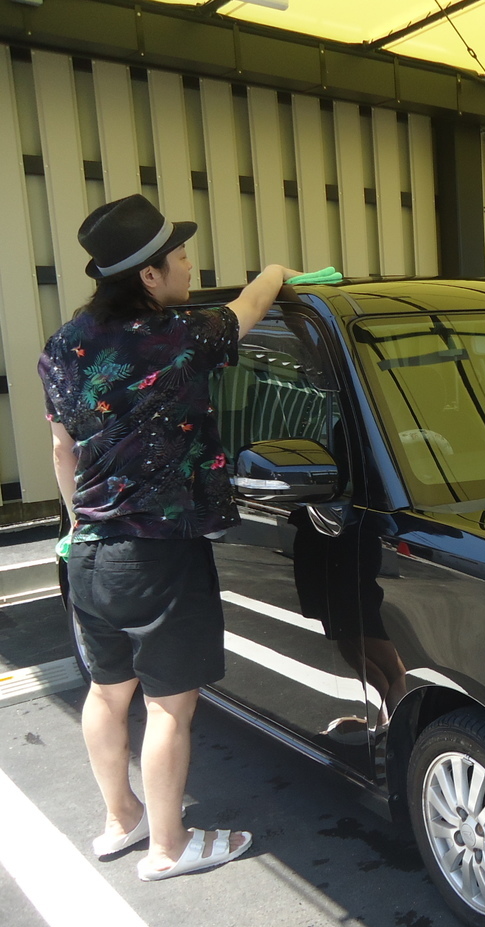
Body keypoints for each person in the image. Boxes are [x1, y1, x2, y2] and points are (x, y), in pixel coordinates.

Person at [36, 194, 300, 881]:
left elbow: (62, 447)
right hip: (159, 551)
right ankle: (169, 846)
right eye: (178, 255)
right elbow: (249, 308)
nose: (188, 263)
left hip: (91, 550)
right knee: (167, 709)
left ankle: (121, 820)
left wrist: (76, 523)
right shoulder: (180, 340)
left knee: (106, 692)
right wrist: (276, 269)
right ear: (149, 276)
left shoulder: (64, 345)